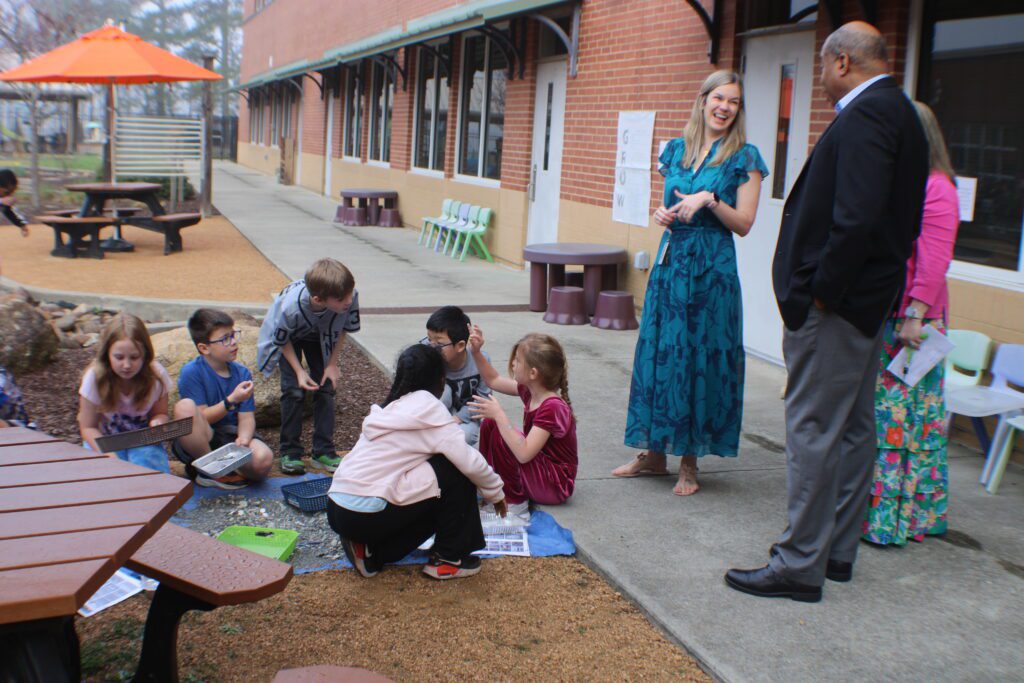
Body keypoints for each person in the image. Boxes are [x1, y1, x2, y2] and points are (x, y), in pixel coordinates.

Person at [726, 22, 929, 602]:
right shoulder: (904, 114)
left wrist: (821, 292)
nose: (819, 78)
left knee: (814, 428)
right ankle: (835, 549)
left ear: (841, 61)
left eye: (821, 66)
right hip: (866, 306)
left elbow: (858, 218)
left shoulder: (867, 114)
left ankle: (797, 564)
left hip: (839, 310)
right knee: (853, 428)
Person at [612, 69, 767, 495]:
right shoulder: (677, 151)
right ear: (702, 101)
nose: (725, 107)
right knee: (661, 352)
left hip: (711, 270)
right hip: (671, 261)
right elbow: (668, 206)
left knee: (697, 357)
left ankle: (689, 461)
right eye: (719, 98)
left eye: (733, 101)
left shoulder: (745, 157)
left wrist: (712, 200)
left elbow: (746, 223)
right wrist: (661, 216)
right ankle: (654, 453)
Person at [862, 102, 960, 546]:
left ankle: (895, 521)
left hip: (914, 325)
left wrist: (915, 313)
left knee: (903, 425)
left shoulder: (938, 188)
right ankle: (875, 513)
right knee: (884, 423)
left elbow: (935, 259)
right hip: (891, 316)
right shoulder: (906, 185)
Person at [327, 344, 507, 580]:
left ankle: (370, 551)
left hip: (338, 509)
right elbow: (469, 460)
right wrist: (496, 491)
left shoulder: (391, 407)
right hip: (368, 513)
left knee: (437, 477)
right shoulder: (430, 410)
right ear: (440, 380)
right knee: (455, 470)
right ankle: (449, 559)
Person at [257, 258, 360, 475]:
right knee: (294, 390)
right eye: (342, 298)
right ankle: (290, 452)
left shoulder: (348, 296)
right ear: (318, 299)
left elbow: (342, 330)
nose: (349, 301)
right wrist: (299, 371)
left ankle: (323, 451)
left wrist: (331, 364)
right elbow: (281, 339)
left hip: (319, 336)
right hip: (291, 339)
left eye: (350, 294)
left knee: (327, 387)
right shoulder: (291, 306)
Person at [467, 327, 577, 508]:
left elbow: (524, 454)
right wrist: (476, 352)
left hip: (556, 485)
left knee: (502, 431)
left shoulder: (553, 407)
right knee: (490, 424)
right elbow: (493, 380)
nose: (512, 364)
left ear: (533, 373)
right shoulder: (531, 391)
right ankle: (489, 482)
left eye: (517, 361)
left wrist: (500, 415)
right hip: (540, 472)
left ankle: (511, 498)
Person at [171, 308, 274, 489]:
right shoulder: (192, 372)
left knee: (263, 459)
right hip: (202, 437)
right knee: (184, 407)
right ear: (204, 348)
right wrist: (231, 400)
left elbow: (246, 416)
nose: (233, 342)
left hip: (229, 437)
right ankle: (209, 470)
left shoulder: (241, 372)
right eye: (225, 339)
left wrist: (243, 439)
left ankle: (228, 470)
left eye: (233, 335)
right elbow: (201, 417)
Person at [78, 313, 174, 473]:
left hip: (142, 440)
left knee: (147, 464)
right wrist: (108, 454)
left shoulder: (156, 376)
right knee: (106, 473)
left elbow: (160, 413)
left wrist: (158, 423)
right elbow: (87, 427)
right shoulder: (95, 377)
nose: (127, 365)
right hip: (104, 440)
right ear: (107, 354)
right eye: (119, 357)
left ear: (145, 354)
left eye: (134, 357)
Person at [423, 305, 492, 446]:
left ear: (460, 346)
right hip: (434, 416)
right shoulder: (427, 353)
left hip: (465, 417)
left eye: (439, 343)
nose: (432, 346)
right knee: (445, 391)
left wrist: (458, 418)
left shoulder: (480, 361)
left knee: (464, 437)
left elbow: (483, 399)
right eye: (430, 340)